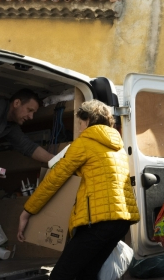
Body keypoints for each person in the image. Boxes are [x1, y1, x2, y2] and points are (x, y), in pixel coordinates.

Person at [17, 100, 139, 280]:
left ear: (88, 120)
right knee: (87, 274)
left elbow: (54, 179)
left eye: (81, 124)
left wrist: (27, 211)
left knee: (61, 275)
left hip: (97, 223)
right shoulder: (117, 146)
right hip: (121, 222)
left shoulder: (84, 143)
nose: (80, 129)